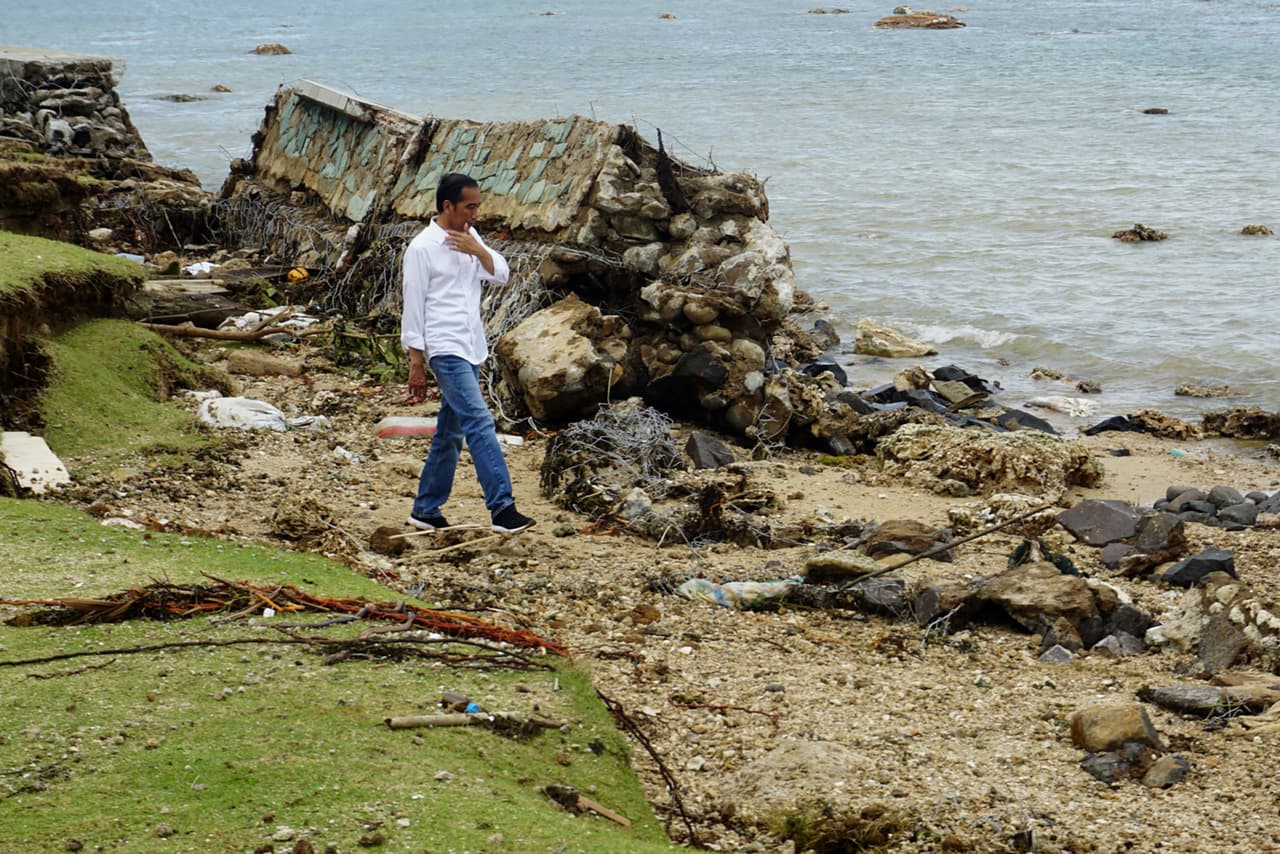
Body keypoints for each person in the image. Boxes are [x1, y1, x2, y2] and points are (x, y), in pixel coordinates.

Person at [401, 172, 535, 534]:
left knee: (451, 431)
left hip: (471, 344)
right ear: (448, 206)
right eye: (469, 207)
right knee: (479, 421)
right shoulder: (422, 248)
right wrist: (416, 361)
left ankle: (426, 509)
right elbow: (413, 305)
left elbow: (501, 274)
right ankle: (502, 508)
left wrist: (478, 250)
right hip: (443, 346)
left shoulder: (471, 237)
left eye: (477, 206)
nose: (475, 214)